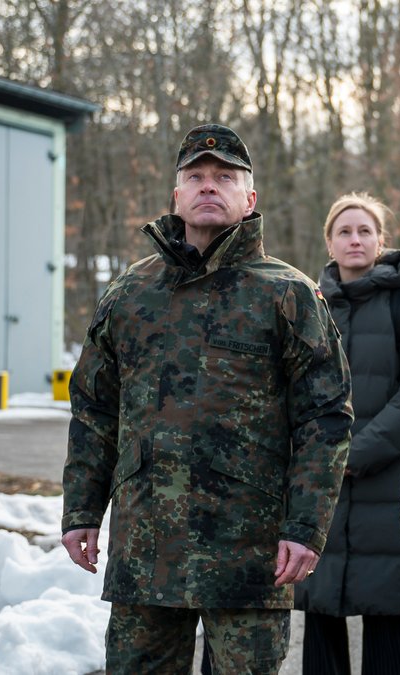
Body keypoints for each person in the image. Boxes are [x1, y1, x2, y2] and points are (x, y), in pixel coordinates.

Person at [61, 123, 353, 673]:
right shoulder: (130, 293)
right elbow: (94, 410)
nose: (208, 186)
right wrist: (81, 510)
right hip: (146, 553)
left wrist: (305, 527)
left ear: (250, 197)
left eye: (225, 176)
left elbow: (325, 419)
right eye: (195, 176)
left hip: (250, 555)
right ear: (177, 194)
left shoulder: (287, 293)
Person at [292, 192, 400, 675]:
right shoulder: (308, 305)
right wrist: (317, 459)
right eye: (345, 231)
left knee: (387, 611)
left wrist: (352, 454)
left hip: (387, 485)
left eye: (364, 230)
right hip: (321, 490)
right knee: (321, 609)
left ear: (380, 240)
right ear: (329, 242)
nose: (355, 239)